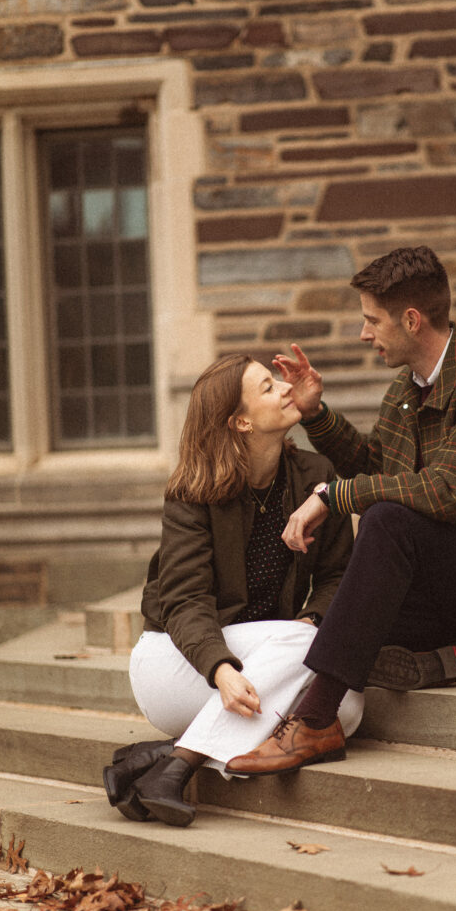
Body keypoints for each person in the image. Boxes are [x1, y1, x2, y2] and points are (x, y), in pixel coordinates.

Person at [224, 245, 456, 778]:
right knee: (335, 618)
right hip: (440, 578)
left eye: (372, 320)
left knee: (385, 522)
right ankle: (430, 662)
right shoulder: (406, 390)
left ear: (411, 320)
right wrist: (316, 415)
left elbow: (447, 492)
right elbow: (374, 462)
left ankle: (314, 721)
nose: (365, 334)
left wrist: (331, 495)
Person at [102, 354, 363, 826]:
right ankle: (177, 761)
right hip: (178, 662)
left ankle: (169, 759)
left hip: (268, 658)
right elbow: (182, 601)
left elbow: (338, 574)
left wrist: (310, 619)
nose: (285, 388)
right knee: (314, 666)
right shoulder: (193, 490)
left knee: (345, 709)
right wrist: (220, 670)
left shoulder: (314, 475)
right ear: (240, 421)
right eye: (268, 387)